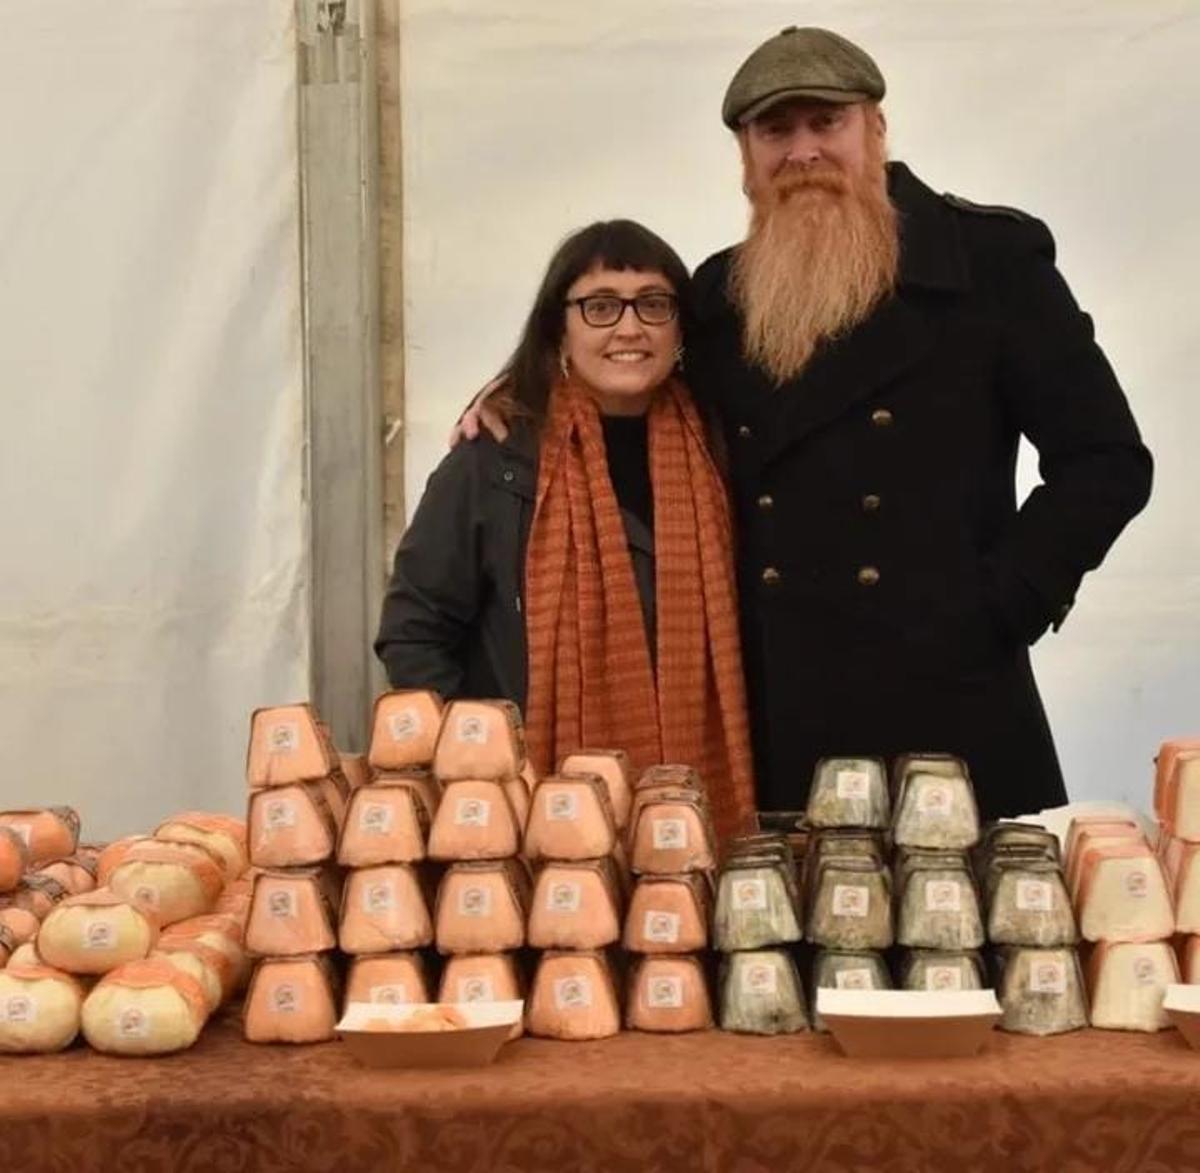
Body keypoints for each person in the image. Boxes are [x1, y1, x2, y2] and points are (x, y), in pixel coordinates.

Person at [456, 28, 1153, 822]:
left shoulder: (988, 263)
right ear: (746, 158)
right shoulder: (719, 297)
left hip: (955, 698)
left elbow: (1106, 461)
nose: (803, 151)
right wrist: (525, 386)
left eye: (827, 123)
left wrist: (1004, 603)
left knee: (984, 940)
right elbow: (629, 371)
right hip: (784, 714)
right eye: (775, 131)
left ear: (876, 129)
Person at [375, 220, 756, 842]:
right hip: (530, 815)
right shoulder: (493, 460)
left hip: (702, 808)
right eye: (600, 306)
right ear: (560, 326)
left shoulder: (724, 447)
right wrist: (482, 759)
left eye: (653, 304)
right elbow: (414, 631)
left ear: (680, 326)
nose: (629, 328)